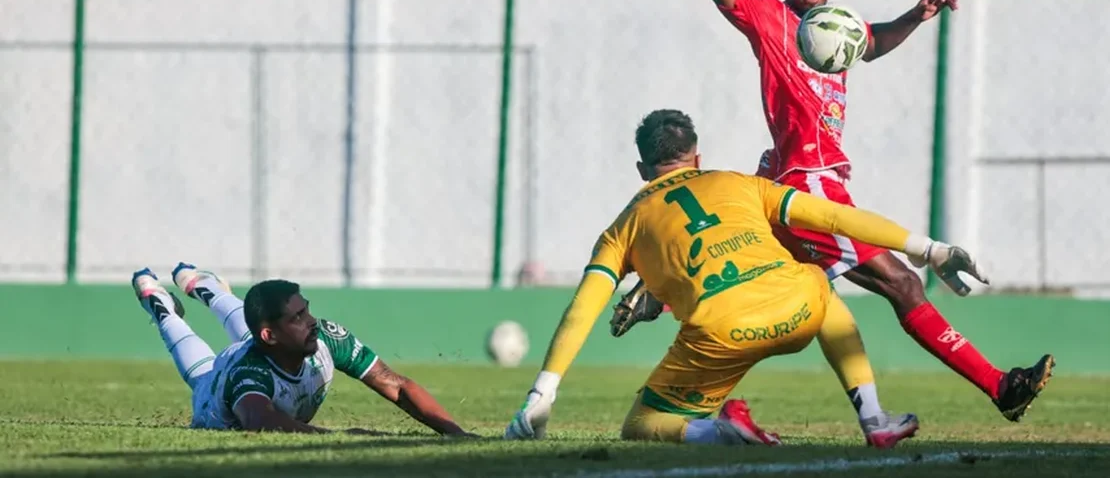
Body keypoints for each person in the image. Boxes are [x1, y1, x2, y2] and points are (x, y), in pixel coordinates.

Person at [610, 0, 1053, 433]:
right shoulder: (769, 18)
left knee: (771, 283)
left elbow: (871, 42)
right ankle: (999, 387)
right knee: (900, 282)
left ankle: (666, 306)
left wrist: (915, 18)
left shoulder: (835, 29)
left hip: (797, 181)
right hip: (807, 185)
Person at [505, 109, 994, 446]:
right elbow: (833, 218)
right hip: (799, 311)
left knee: (643, 424)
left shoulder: (623, 226)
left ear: (641, 169)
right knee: (815, 281)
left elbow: (584, 307)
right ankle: (874, 419)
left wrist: (542, 394)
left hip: (721, 333)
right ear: (696, 156)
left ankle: (718, 432)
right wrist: (928, 248)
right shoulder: (739, 183)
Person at [131, 263, 473, 435]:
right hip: (217, 388)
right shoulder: (250, 374)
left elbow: (395, 384)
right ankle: (160, 305)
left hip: (265, 342)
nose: (312, 320)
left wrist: (456, 434)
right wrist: (341, 436)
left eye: (306, 309)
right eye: (299, 317)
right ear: (270, 336)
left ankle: (203, 285)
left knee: (252, 316)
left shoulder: (326, 338)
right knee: (202, 374)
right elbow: (259, 420)